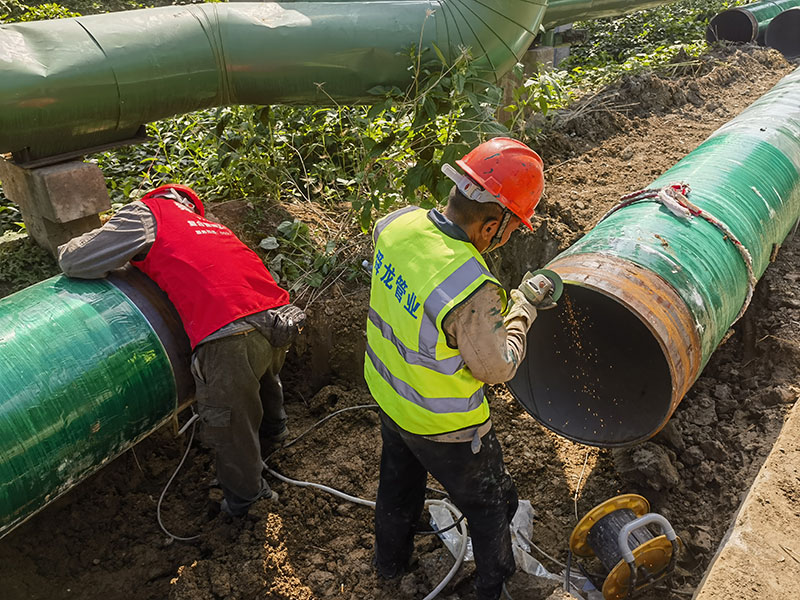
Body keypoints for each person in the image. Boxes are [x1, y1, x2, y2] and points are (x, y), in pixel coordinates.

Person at [365, 138, 553, 600]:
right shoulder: (470, 287)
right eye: (511, 230)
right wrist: (523, 307)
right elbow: (498, 367)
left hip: (391, 398)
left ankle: (389, 565)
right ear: (491, 226)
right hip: (445, 426)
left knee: (398, 483)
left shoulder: (395, 224)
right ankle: (494, 587)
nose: (506, 239)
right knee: (492, 505)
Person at [58, 184, 304, 518]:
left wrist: (69, 248)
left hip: (231, 332)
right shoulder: (211, 227)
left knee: (229, 422)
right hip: (279, 319)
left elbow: (77, 260)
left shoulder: (149, 213)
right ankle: (276, 439)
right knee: (262, 380)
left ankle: (249, 503)